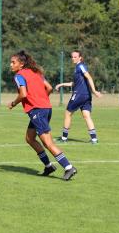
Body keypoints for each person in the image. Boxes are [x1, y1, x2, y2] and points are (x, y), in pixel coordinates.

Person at [8, 51, 77, 181]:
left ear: (21, 64)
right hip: (45, 108)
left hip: (37, 111)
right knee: (30, 138)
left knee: (48, 143)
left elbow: (23, 94)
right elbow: (49, 88)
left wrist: (13, 103)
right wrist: (41, 99)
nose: (11, 65)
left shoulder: (19, 75)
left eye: (13, 62)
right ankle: (48, 166)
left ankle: (68, 167)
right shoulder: (36, 72)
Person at [55, 50, 102, 144]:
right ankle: (94, 139)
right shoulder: (77, 68)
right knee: (86, 116)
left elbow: (89, 77)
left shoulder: (80, 66)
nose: (73, 58)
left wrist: (94, 90)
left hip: (79, 95)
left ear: (80, 57)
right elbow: (75, 83)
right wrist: (61, 84)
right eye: (72, 57)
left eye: (75, 57)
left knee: (68, 113)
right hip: (86, 96)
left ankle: (64, 138)